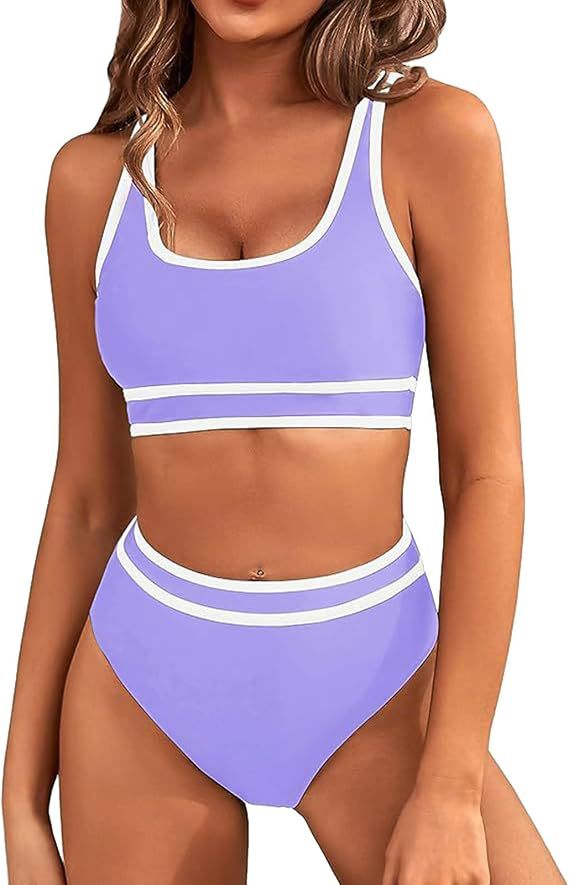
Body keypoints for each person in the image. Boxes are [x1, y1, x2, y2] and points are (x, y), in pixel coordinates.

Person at [3, 1, 564, 882]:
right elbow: (85, 500)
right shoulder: (93, 181)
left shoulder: (430, 138)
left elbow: (484, 473)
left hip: (371, 683)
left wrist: (451, 783)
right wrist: (20, 797)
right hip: (141, 684)